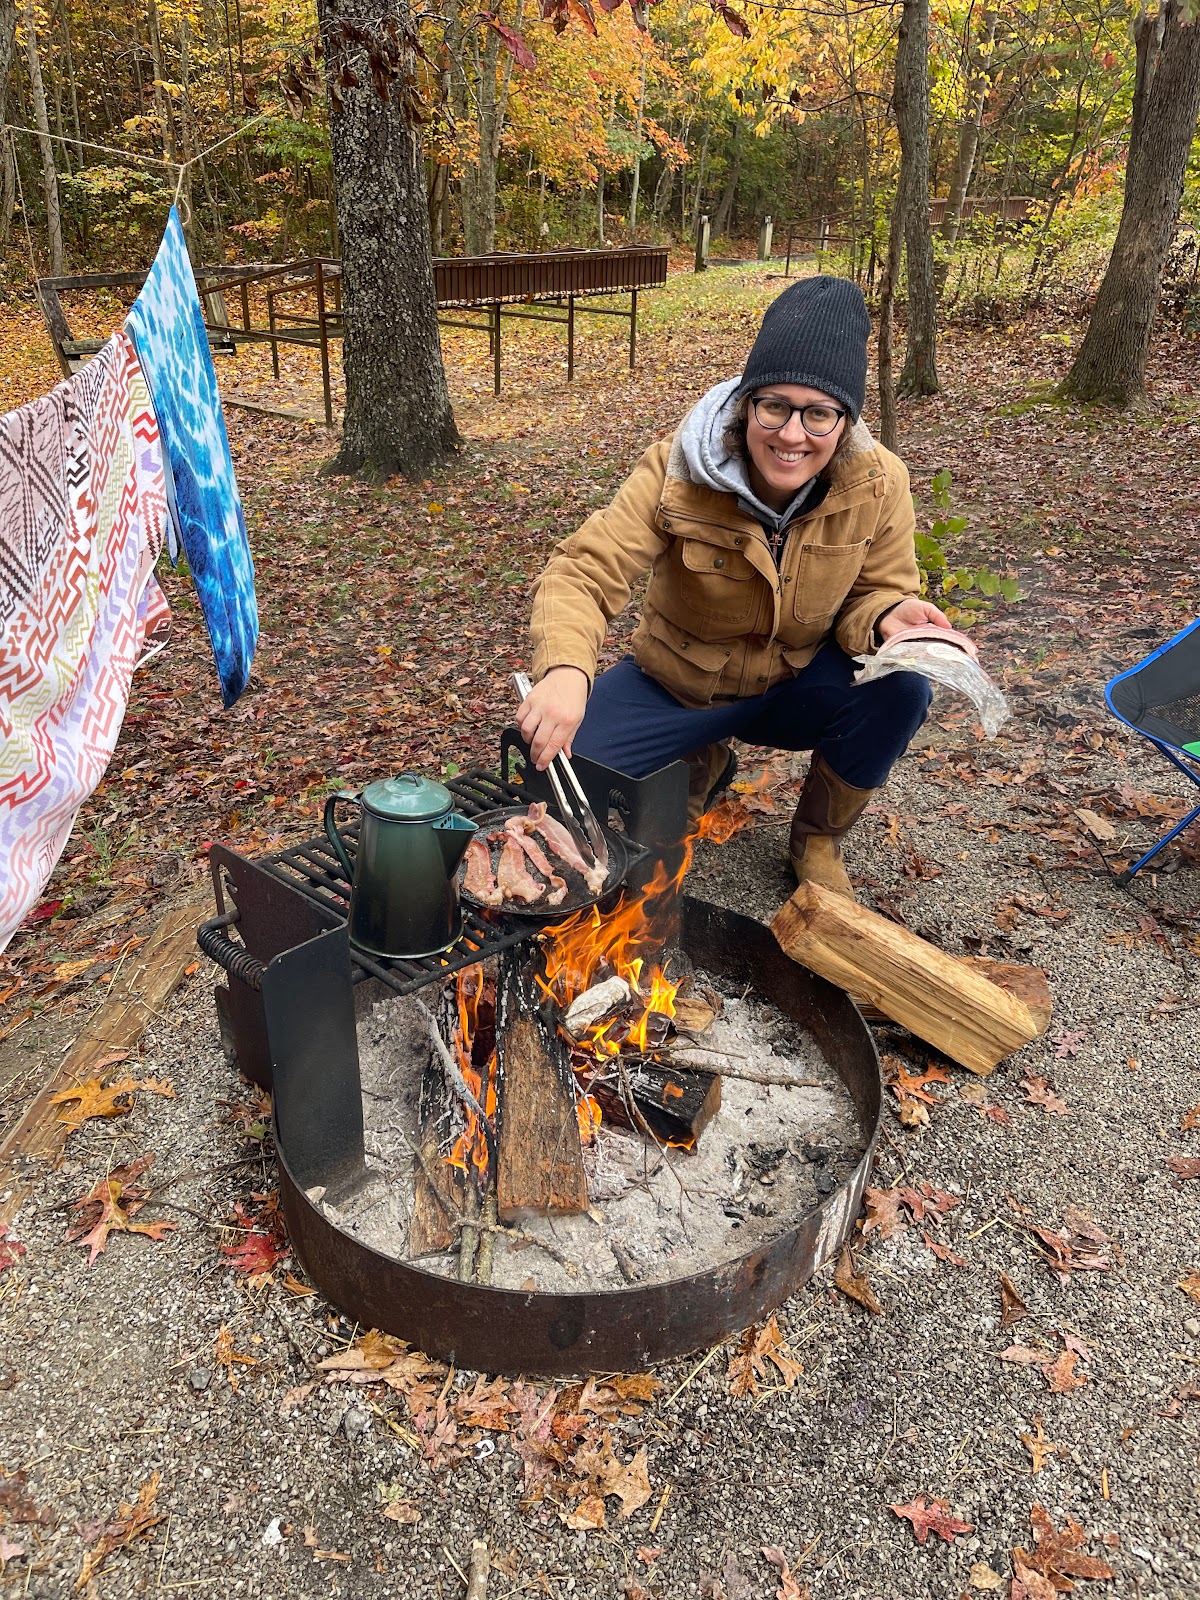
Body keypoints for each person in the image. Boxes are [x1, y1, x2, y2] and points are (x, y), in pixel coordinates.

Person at [515, 275, 952, 899]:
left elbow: (879, 590)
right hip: (680, 686)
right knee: (560, 775)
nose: (792, 434)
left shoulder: (879, 483)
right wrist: (564, 671)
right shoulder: (677, 472)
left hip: (800, 683)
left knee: (902, 687)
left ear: (845, 420)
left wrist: (889, 618)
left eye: (819, 413)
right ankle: (700, 758)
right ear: (747, 403)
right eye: (774, 405)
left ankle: (818, 842)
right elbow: (583, 571)